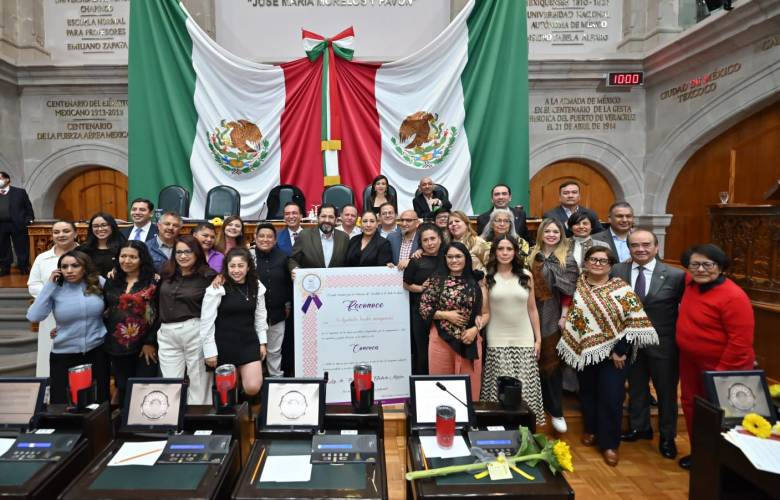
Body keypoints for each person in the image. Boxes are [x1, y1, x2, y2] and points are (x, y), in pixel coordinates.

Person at [558, 246, 658, 467]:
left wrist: (620, 349)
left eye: (603, 261)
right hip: (585, 351)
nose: (597, 264)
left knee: (611, 397)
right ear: (585, 262)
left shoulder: (621, 288)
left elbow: (634, 321)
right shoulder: (580, 285)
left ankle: (610, 444)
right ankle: (591, 430)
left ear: (611, 265)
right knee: (587, 393)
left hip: (614, 354)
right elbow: (575, 316)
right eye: (593, 259)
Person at [675, 244, 755, 470]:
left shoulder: (733, 296)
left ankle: (728, 463)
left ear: (720, 267)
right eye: (695, 265)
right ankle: (701, 454)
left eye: (707, 265)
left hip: (724, 369)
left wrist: (719, 375)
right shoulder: (690, 283)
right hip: (691, 363)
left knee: (723, 416)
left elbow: (740, 342)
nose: (701, 269)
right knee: (692, 408)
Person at [612, 229, 685, 460]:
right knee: (637, 387)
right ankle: (640, 427)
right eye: (635, 245)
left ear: (656, 247)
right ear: (629, 248)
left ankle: (667, 436)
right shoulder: (618, 270)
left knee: (665, 392)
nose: (640, 249)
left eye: (645, 245)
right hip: (630, 342)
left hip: (662, 343)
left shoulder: (675, 276)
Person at [26, 250, 109, 404]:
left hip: (97, 350)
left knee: (98, 400)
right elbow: (34, 316)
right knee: (62, 402)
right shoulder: (55, 288)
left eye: (75, 266)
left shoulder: (97, 282)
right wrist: (49, 286)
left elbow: (116, 302)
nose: (69, 271)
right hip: (64, 353)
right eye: (64, 267)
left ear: (85, 267)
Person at [482, 235, 545, 425]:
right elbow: (484, 311)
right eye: (500, 249)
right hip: (497, 336)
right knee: (500, 385)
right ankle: (498, 424)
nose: (505, 253)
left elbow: (532, 309)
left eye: (509, 249)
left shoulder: (526, 275)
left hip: (524, 336)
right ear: (494, 252)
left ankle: (524, 427)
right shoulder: (486, 277)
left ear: (515, 252)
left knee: (525, 384)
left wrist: (538, 339)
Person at [527, 218, 579, 433]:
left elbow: (570, 289)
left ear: (561, 235)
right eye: (547, 231)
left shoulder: (567, 258)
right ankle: (534, 408)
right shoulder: (531, 255)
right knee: (532, 359)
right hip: (528, 311)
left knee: (552, 363)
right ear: (541, 234)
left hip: (554, 312)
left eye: (555, 231)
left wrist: (564, 314)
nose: (551, 235)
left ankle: (556, 410)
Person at [420, 242, 489, 401]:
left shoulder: (477, 281)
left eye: (458, 256)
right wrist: (446, 315)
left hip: (469, 340)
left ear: (466, 258)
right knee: (441, 388)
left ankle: (468, 424)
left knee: (469, 390)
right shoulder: (437, 280)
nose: (454, 260)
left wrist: (475, 331)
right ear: (445, 259)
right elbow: (423, 309)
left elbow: (485, 314)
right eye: (450, 257)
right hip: (440, 341)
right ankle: (443, 423)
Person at [157, 235, 217, 405]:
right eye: (179, 252)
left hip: (194, 330)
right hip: (167, 333)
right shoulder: (167, 273)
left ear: (197, 253)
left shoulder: (208, 275)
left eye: (188, 252)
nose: (183, 256)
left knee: (199, 382)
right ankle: (173, 425)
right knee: (170, 383)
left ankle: (197, 425)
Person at [201, 248, 267, 397]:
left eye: (241, 266)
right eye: (232, 266)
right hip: (223, 345)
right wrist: (210, 352)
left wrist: (262, 342)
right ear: (227, 267)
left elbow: (260, 317)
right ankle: (234, 412)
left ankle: (244, 404)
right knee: (227, 392)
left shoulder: (256, 285)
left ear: (248, 267)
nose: (236, 270)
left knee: (253, 387)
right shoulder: (217, 288)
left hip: (248, 342)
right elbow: (206, 322)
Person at [103, 241, 160, 404]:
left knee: (143, 389)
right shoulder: (112, 280)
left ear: (142, 259)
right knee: (122, 387)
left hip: (145, 347)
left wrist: (150, 342)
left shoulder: (154, 281)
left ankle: (143, 427)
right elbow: (102, 307)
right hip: (117, 345)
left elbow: (160, 313)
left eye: (133, 257)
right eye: (123, 256)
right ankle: (123, 427)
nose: (127, 260)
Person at [27, 220, 80, 377]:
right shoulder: (42, 258)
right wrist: (52, 296)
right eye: (56, 232)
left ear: (75, 234)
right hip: (50, 313)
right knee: (48, 353)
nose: (61, 235)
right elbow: (33, 284)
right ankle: (48, 392)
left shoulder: (85, 254)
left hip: (79, 313)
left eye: (66, 231)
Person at [403, 223, 444, 375]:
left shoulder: (448, 257)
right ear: (421, 243)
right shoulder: (416, 260)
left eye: (433, 238)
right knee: (423, 353)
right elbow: (405, 283)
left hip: (444, 313)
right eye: (425, 240)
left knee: (441, 353)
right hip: (420, 313)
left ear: (440, 239)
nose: (430, 243)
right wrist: (420, 288)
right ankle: (422, 389)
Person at [252, 223, 291, 377]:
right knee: (255, 351)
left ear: (275, 240)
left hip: (277, 313)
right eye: (261, 236)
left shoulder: (282, 257)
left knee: (275, 350)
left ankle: (276, 382)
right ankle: (255, 384)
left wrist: (288, 304)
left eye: (269, 237)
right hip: (252, 315)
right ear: (255, 238)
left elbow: (287, 284)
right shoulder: (248, 257)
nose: (265, 239)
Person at [289, 204, 349, 273]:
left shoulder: (344, 237)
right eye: (323, 216)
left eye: (331, 217)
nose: (327, 220)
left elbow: (347, 262)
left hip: (335, 281)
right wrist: (295, 269)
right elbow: (293, 259)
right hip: (311, 281)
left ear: (336, 220)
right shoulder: (304, 235)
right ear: (318, 218)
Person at [0, 171, 35, 276]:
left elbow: (28, 207)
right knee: (2, 247)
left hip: (18, 223)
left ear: (7, 180)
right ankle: (5, 268)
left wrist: (29, 219)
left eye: (0, 178)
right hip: (1, 225)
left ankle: (23, 267)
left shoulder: (20, 192)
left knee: (22, 246)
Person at [79, 212, 126, 277]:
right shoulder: (83, 249)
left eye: (104, 225)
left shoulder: (124, 248)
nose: (100, 229)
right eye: (95, 226)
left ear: (112, 226)